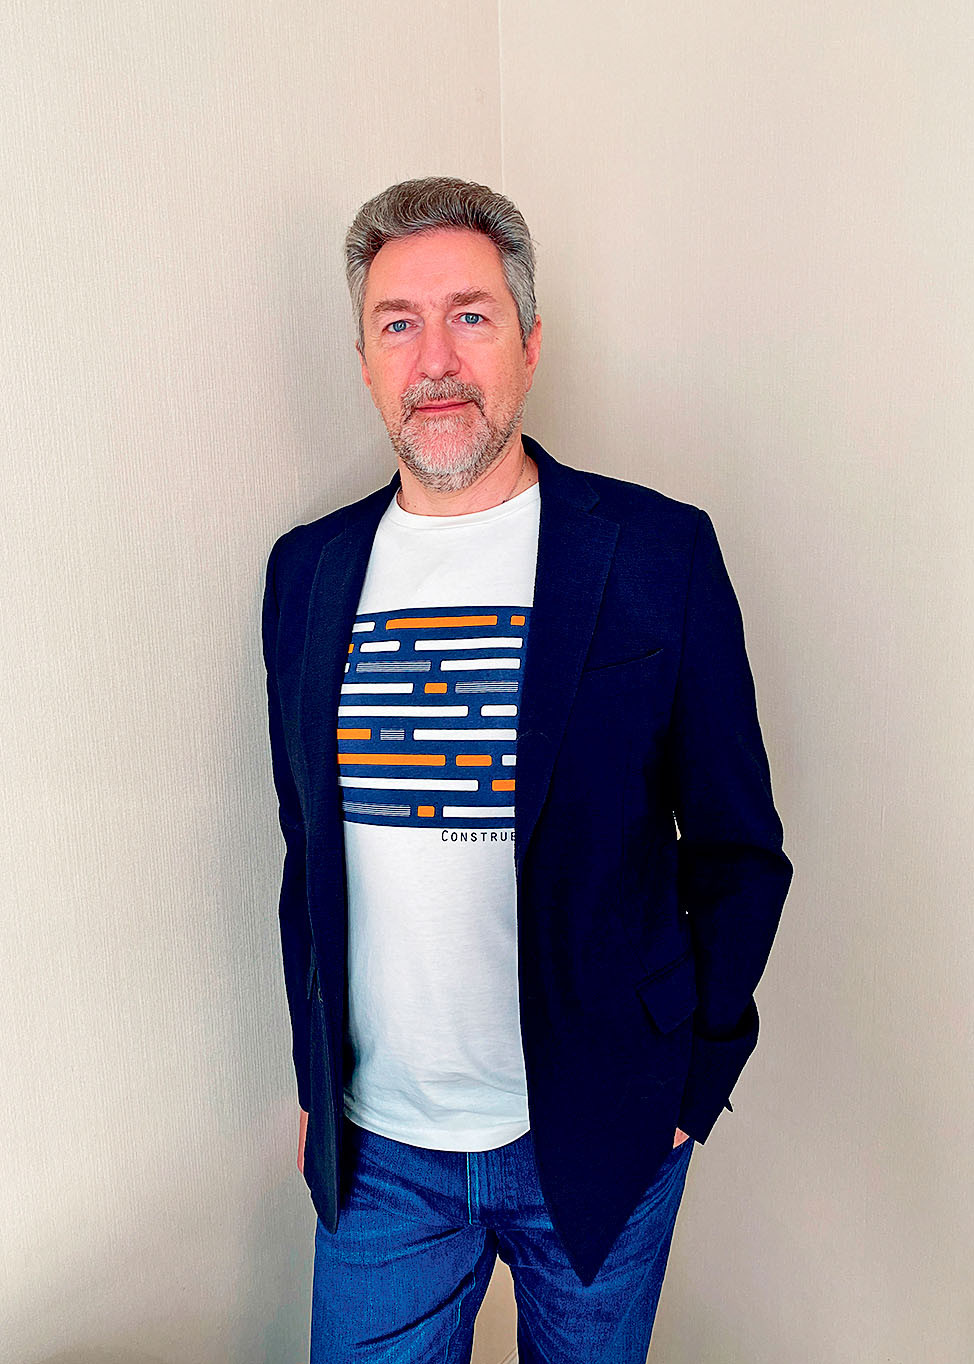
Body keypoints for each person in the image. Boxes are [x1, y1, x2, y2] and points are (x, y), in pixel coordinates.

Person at [261, 176, 793, 1363]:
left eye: (471, 315)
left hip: (600, 1132)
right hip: (379, 1152)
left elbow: (736, 849)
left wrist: (686, 1084)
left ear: (529, 342)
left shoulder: (654, 551)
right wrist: (311, 1074)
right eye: (397, 323)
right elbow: (309, 849)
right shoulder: (306, 572)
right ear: (363, 360)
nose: (434, 359)